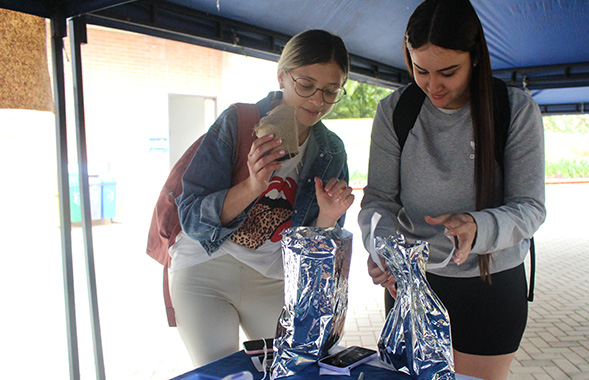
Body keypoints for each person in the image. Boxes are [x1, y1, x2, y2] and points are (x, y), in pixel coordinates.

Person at [358, 1, 546, 379]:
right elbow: (377, 201)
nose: (432, 85)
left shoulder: (514, 109)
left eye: (448, 72)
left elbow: (530, 208)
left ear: (475, 57)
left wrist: (478, 227)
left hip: (491, 285)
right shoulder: (396, 111)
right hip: (412, 284)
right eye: (419, 69)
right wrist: (383, 250)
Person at [172, 29, 354, 367]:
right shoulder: (238, 121)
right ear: (282, 76)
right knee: (224, 374)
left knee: (290, 369)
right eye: (306, 85)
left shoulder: (331, 150)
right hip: (205, 269)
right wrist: (253, 185)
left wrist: (328, 218)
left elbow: (313, 255)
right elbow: (193, 219)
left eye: (331, 91)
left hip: (273, 278)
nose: (317, 101)